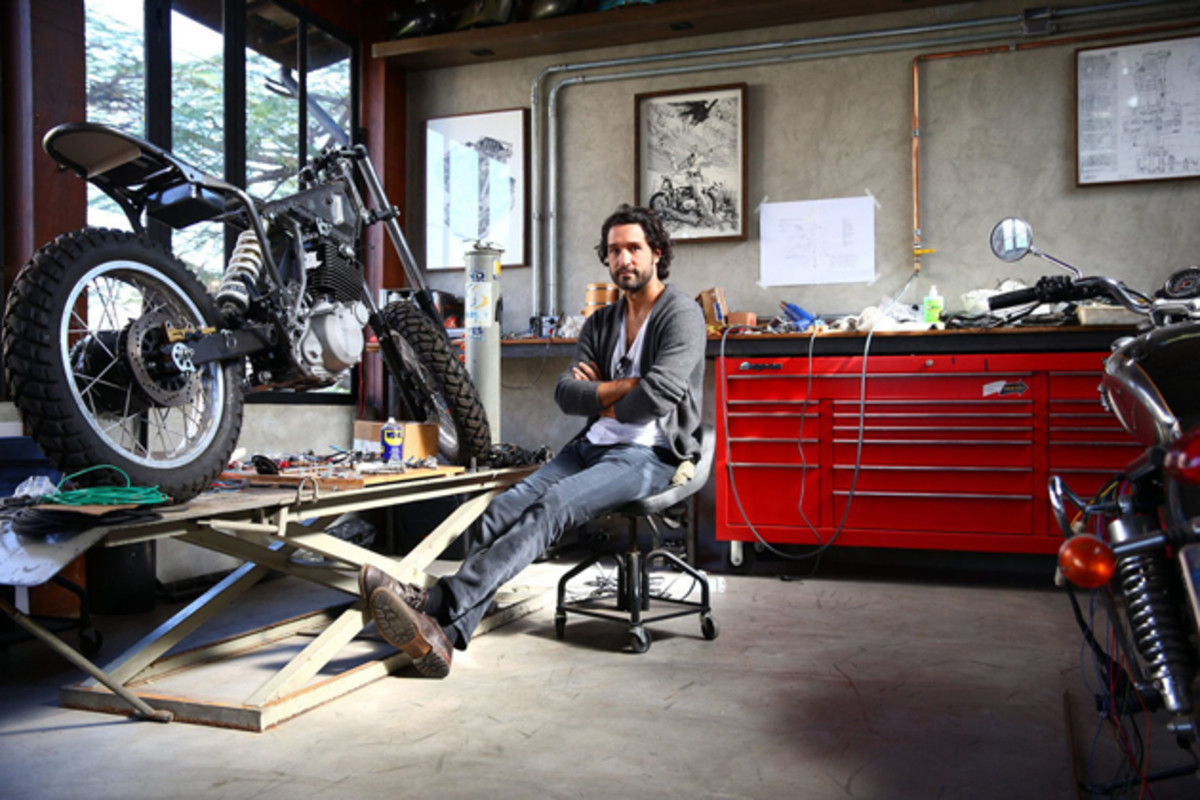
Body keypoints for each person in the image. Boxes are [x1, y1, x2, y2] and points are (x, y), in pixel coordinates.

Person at [359, 203, 707, 678]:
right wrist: (624, 388)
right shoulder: (601, 323)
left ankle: (440, 602)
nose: (623, 259)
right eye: (613, 251)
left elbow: (658, 396)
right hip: (591, 446)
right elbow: (567, 395)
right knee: (500, 510)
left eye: (633, 248)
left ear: (657, 253)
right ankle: (444, 634)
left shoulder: (681, 314)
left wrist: (602, 393)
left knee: (554, 504)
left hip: (650, 453)